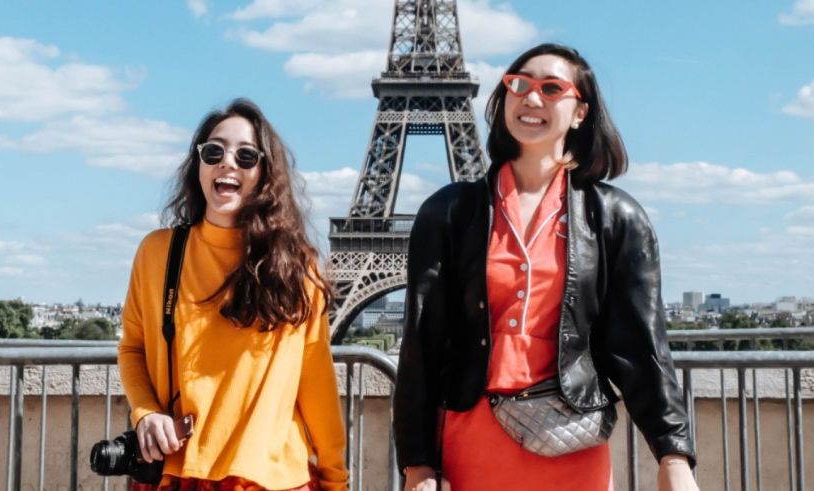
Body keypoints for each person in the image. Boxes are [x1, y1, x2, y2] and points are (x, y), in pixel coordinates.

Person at [393, 43, 699, 491]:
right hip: (472, 437)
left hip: (569, 442)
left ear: (580, 112)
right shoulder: (451, 212)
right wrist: (417, 462)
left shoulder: (614, 217)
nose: (532, 98)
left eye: (552, 88)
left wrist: (673, 455)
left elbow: (641, 345)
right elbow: (423, 342)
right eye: (519, 84)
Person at [118, 98, 348, 490]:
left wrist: (335, 478)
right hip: (180, 473)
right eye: (214, 151)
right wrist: (145, 413)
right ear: (200, 166)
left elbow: (315, 381)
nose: (228, 162)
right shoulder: (157, 253)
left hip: (268, 480)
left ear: (264, 173)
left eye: (245, 156)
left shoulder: (297, 268)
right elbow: (133, 348)